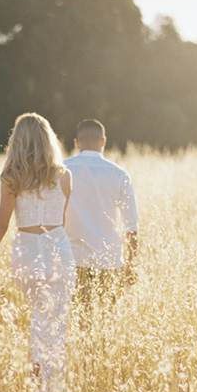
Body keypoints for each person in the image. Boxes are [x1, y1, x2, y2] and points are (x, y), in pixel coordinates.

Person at [0, 113, 76, 392]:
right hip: (58, 250)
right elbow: (60, 220)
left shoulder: (11, 176)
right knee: (55, 324)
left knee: (40, 317)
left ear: (17, 140)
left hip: (26, 252)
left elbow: (0, 226)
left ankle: (39, 389)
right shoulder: (64, 176)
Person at [64, 118, 139, 305]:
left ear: (77, 143)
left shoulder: (60, 170)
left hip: (72, 261)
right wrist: (131, 265)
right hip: (110, 262)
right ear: (103, 141)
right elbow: (131, 225)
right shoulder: (120, 174)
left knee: (78, 324)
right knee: (107, 325)